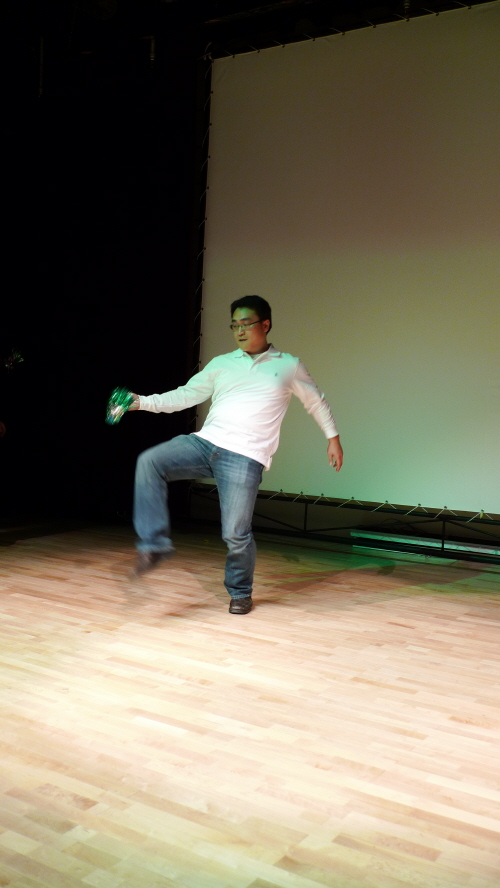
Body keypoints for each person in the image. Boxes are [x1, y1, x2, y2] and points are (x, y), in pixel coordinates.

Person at [128, 295, 343, 614]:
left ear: (265, 324)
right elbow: (185, 395)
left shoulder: (288, 365)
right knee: (150, 461)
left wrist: (332, 438)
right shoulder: (221, 364)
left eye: (246, 324)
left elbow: (316, 402)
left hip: (245, 456)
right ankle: (154, 544)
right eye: (234, 325)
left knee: (235, 533)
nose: (240, 331)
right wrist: (141, 402)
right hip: (205, 443)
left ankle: (240, 592)